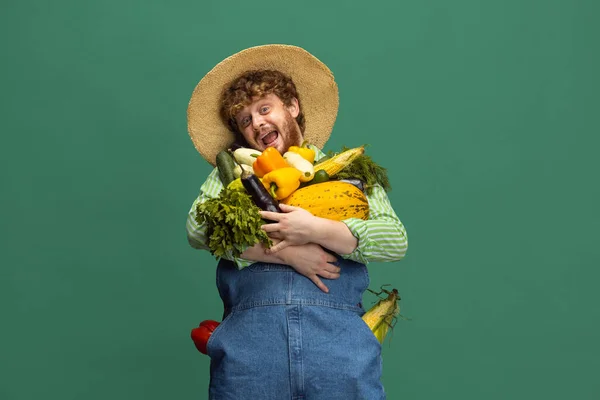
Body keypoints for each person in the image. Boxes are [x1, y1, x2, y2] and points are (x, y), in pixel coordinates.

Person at [185, 45, 408, 400]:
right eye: (245, 120)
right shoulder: (233, 175)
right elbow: (198, 230)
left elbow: (394, 240)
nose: (256, 122)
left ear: (292, 107)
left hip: (339, 355)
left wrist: (316, 230)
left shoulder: (352, 173)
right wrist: (284, 252)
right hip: (250, 357)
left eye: (264, 108)